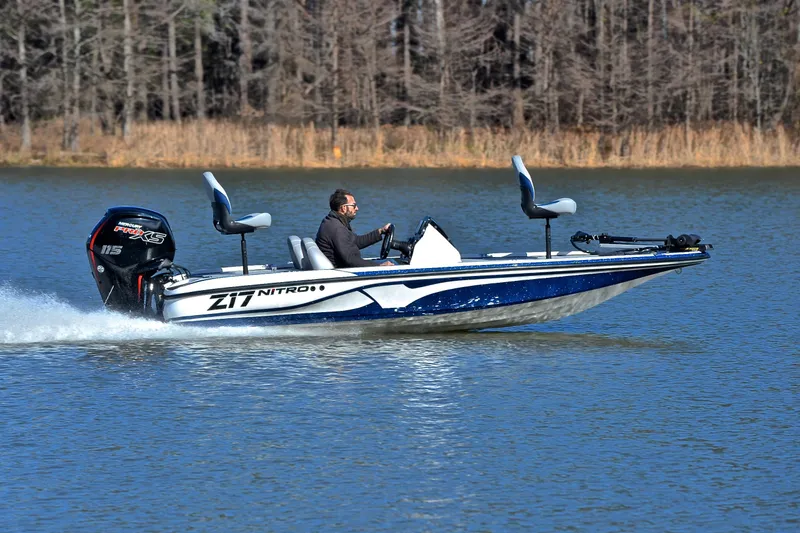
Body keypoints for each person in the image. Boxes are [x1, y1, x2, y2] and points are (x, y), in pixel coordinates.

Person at [315, 189, 393, 267]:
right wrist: (379, 266)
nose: (357, 208)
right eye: (354, 206)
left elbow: (355, 242)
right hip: (339, 273)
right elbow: (350, 259)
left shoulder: (333, 221)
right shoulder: (337, 229)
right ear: (344, 208)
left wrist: (380, 231)